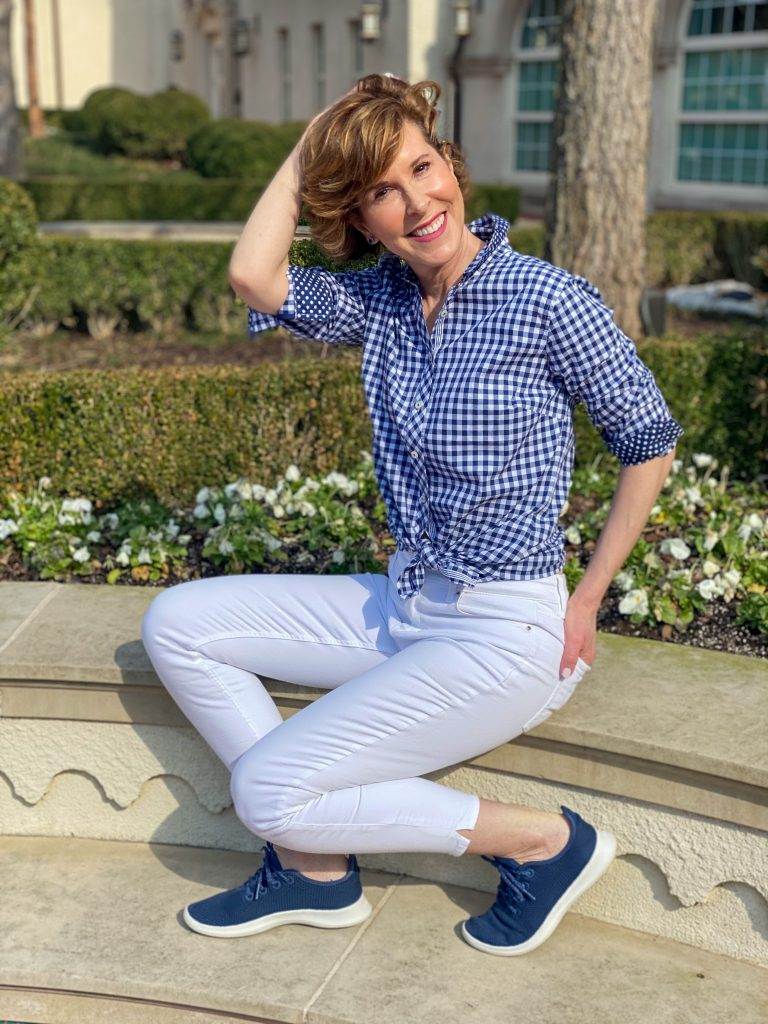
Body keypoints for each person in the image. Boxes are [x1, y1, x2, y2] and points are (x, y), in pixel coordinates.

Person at [141, 74, 683, 957]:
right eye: (381, 193)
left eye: (422, 168)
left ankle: (545, 843)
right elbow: (254, 274)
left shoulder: (549, 301)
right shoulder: (382, 303)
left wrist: (586, 600)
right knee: (178, 623)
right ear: (361, 222)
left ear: (450, 166)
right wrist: (316, 135)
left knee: (270, 794)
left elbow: (648, 443)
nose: (416, 202)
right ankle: (318, 874)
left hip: (506, 631)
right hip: (406, 606)